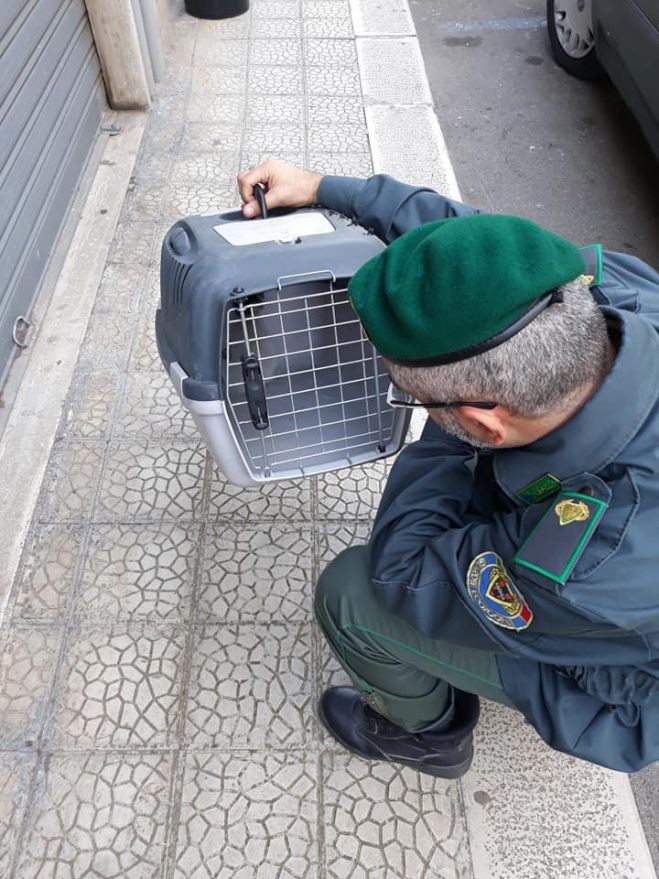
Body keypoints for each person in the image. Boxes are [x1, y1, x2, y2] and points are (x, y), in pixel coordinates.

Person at [236, 160, 659, 778]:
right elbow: (479, 258)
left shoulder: (589, 555)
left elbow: (401, 571)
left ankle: (428, 735)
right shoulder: (618, 297)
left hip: (624, 670)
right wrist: (328, 190)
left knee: (351, 595)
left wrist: (444, 430)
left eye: (413, 397)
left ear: (488, 423)